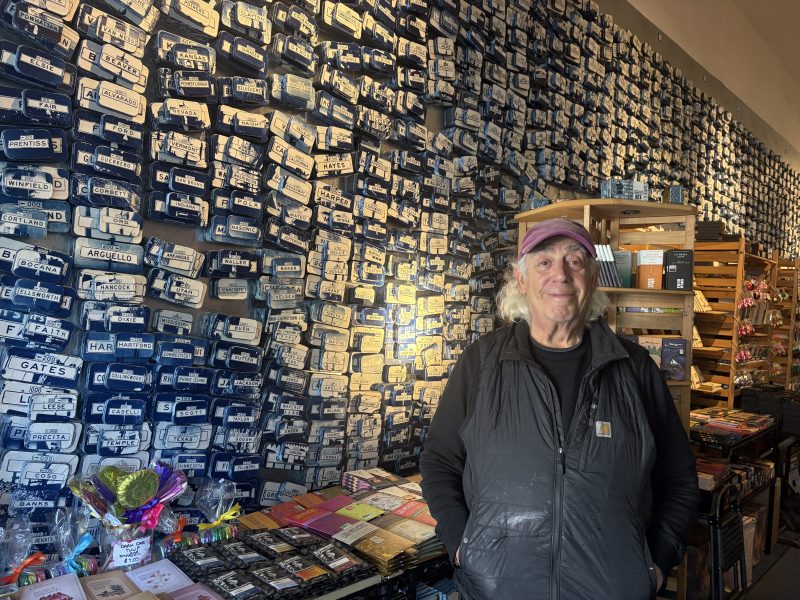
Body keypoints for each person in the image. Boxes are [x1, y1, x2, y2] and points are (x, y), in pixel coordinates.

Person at [420, 217, 700, 600]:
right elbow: (439, 461)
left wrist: (655, 563)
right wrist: (460, 544)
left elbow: (679, 478)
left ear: (594, 277)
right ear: (521, 280)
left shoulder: (634, 369)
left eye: (575, 261)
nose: (561, 275)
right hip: (497, 590)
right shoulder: (482, 363)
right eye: (544, 262)